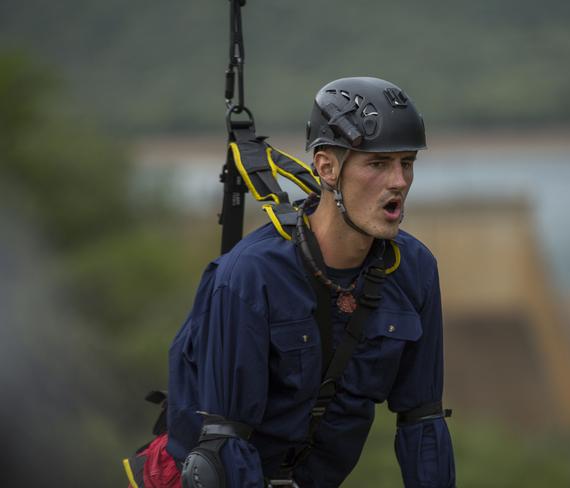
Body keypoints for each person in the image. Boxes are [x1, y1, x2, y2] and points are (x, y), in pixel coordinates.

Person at [128, 77, 456, 488]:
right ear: (327, 167)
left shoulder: (414, 269)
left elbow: (422, 424)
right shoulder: (250, 276)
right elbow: (222, 450)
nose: (400, 181)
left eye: (406, 163)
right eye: (378, 163)